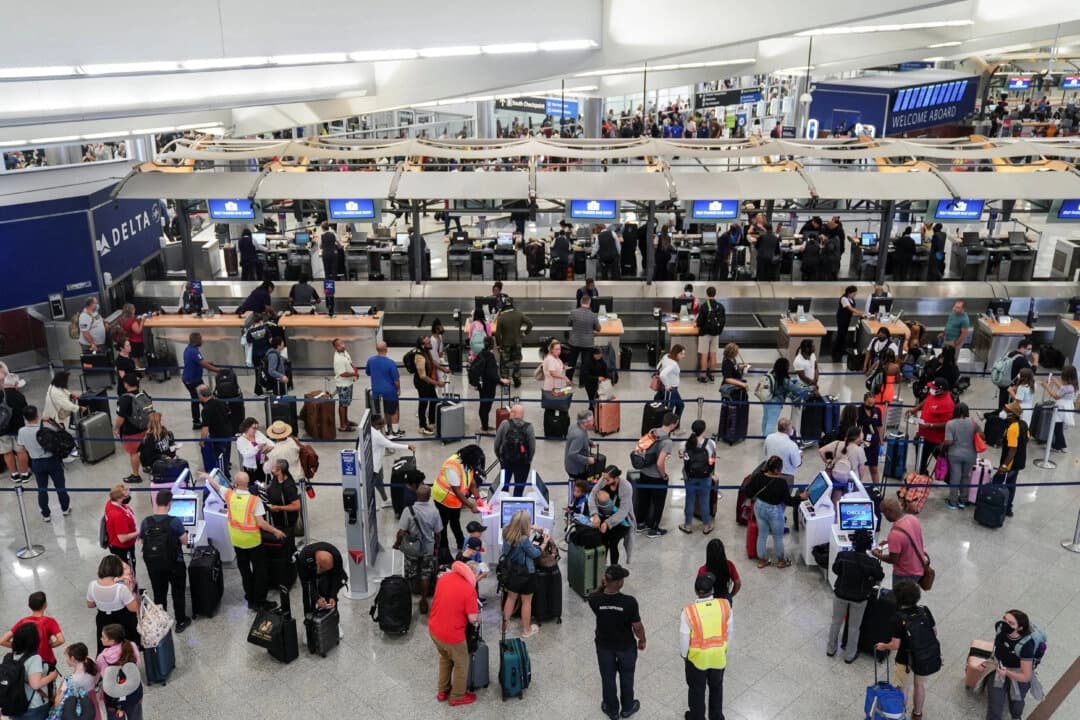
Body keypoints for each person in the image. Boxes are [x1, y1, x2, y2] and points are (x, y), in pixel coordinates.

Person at [207, 470, 286, 611]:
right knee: (260, 571)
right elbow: (261, 523)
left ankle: (250, 599)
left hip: (237, 541)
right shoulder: (255, 500)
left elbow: (217, 485)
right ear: (248, 484)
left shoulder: (229, 495)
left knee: (245, 571)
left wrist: (207, 476)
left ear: (235, 484)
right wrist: (276, 531)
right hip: (253, 542)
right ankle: (260, 601)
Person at [874, 581, 941, 720]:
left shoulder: (898, 618)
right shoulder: (925, 610)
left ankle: (900, 714)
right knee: (920, 685)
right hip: (924, 658)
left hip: (906, 660)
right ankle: (917, 714)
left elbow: (895, 645)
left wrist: (883, 646)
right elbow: (934, 632)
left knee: (902, 688)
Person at [588, 565, 645, 720]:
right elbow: (637, 626)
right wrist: (642, 640)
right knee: (627, 677)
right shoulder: (629, 602)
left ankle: (612, 709)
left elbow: (592, 595)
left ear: (605, 580)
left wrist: (601, 586)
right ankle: (627, 708)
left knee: (608, 677)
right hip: (626, 647)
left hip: (604, 646)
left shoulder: (595, 600)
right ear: (620, 583)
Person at [826, 529, 884, 663]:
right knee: (853, 627)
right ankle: (849, 655)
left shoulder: (842, 555)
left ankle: (831, 649)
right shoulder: (872, 563)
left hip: (840, 593)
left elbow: (835, 570)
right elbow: (880, 576)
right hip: (859, 598)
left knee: (836, 622)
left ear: (853, 542)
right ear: (869, 545)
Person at [680, 572, 732, 720]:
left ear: (696, 591)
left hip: (697, 660)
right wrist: (724, 649)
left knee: (696, 690)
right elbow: (730, 631)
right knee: (716, 688)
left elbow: (684, 638)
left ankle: (696, 717)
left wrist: (685, 656)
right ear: (712, 590)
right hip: (718, 657)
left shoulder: (688, 612)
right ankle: (716, 716)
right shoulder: (725, 605)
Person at [428, 561, 481, 707]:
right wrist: (477, 620)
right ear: (472, 576)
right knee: (461, 663)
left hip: (434, 629)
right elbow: (472, 618)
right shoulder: (469, 590)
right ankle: (457, 696)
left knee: (445, 658)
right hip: (452, 636)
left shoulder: (445, 578)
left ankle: (442, 690)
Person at [139, 490, 191, 633]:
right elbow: (184, 541)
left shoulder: (146, 521)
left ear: (156, 502)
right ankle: (180, 621)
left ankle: (161, 622)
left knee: (159, 593)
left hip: (154, 565)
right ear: (170, 504)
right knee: (177, 592)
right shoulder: (174, 521)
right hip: (175, 564)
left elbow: (142, 540)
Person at [500, 510, 551, 639]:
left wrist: (533, 527)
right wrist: (544, 542)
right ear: (525, 524)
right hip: (525, 573)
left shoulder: (506, 531)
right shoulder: (523, 540)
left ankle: (504, 626)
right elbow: (535, 553)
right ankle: (526, 630)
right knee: (526, 601)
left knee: (511, 598)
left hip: (511, 572)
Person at [394, 484, 443, 613]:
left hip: (412, 549)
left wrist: (397, 543)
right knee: (425, 574)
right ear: (429, 496)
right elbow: (438, 533)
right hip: (428, 548)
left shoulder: (408, 510)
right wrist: (436, 547)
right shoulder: (434, 511)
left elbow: (401, 532)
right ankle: (423, 599)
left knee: (410, 572)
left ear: (417, 496)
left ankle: (408, 597)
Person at [16, 405, 71, 521]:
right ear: (37, 415)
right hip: (52, 460)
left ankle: (46, 514)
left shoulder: (22, 431)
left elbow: (20, 448)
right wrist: (52, 422)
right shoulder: (46, 428)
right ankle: (65, 508)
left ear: (24, 418)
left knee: (42, 488)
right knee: (60, 486)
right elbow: (61, 432)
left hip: (36, 462)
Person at [982, 609, 1038, 720]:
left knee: (1016, 705)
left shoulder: (1026, 645)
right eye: (1004, 619)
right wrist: (990, 661)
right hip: (998, 669)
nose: (1005, 624)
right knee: (994, 708)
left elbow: (1026, 676)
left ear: (1020, 628)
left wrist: (1007, 672)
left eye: (1011, 623)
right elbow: (998, 648)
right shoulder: (1000, 629)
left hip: (1018, 674)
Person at [744, 456, 796, 568]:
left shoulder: (758, 477)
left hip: (759, 507)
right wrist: (800, 498)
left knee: (762, 534)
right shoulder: (781, 483)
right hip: (774, 511)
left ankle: (761, 560)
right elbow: (788, 501)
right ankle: (781, 561)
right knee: (778, 537)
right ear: (777, 470)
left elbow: (748, 491)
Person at [432, 445, 484, 555]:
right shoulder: (452, 468)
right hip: (442, 498)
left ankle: (460, 543)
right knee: (443, 524)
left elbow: (472, 482)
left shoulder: (467, 464)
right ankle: (443, 547)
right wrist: (471, 506)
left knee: (455, 521)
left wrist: (478, 498)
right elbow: (457, 491)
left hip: (454, 500)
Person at [0, 592, 64, 677]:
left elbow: (2, 641)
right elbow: (61, 640)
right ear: (45, 605)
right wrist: (50, 644)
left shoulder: (23, 622)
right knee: (49, 680)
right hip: (47, 659)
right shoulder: (50, 621)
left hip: (28, 661)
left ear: (29, 606)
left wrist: (21, 647)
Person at [85, 555, 139, 654]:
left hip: (103, 620)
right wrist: (130, 591)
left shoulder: (92, 585)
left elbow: (90, 604)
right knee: (125, 648)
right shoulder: (121, 588)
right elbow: (133, 608)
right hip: (122, 621)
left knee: (105, 648)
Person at [4, 623, 57, 720]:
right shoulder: (34, 658)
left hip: (13, 704)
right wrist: (52, 676)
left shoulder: (9, 657)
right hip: (33, 706)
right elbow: (35, 685)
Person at [637, 412, 677, 538]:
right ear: (673, 424)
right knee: (658, 504)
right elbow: (660, 463)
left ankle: (640, 524)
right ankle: (653, 529)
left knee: (644, 500)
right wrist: (664, 475)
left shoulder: (652, 431)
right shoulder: (667, 442)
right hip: (656, 477)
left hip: (643, 472)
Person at [873, 498, 929, 587]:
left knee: (900, 598)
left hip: (905, 574)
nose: (884, 516)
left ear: (889, 511)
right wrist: (889, 542)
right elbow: (911, 536)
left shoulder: (895, 534)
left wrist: (877, 555)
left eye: (884, 513)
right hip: (919, 566)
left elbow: (893, 559)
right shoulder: (912, 518)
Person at [906, 379, 955, 474]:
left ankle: (952, 478)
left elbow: (948, 424)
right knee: (920, 464)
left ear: (942, 390)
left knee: (941, 462)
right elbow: (926, 401)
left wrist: (930, 425)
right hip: (923, 435)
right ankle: (923, 474)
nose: (931, 390)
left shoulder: (948, 404)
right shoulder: (934, 394)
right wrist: (915, 409)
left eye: (934, 388)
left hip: (934, 440)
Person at [588, 466, 635, 564]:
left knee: (613, 543)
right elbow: (592, 495)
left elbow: (623, 511)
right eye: (604, 478)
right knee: (603, 542)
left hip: (622, 520)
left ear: (616, 478)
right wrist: (595, 514)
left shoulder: (626, 487)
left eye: (607, 479)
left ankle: (614, 567)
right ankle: (601, 567)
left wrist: (607, 523)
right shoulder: (604, 480)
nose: (604, 481)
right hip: (605, 515)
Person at [96, 624, 143, 720]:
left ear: (112, 641)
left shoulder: (103, 657)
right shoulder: (131, 645)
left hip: (113, 698)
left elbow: (104, 676)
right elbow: (138, 664)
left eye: (104, 637)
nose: (101, 638)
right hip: (133, 691)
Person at [679, 420, 717, 535]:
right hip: (705, 477)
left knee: (689, 500)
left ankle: (688, 525)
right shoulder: (711, 444)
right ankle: (706, 526)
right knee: (704, 501)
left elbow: (682, 456)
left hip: (689, 476)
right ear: (704, 430)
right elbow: (712, 460)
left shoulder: (685, 444)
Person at [942, 403, 980, 510]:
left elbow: (948, 441)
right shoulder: (973, 423)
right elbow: (982, 435)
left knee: (955, 476)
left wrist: (942, 445)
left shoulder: (950, 424)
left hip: (955, 454)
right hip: (971, 454)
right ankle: (963, 500)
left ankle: (952, 501)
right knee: (966, 477)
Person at [295, 541, 348, 617]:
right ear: (317, 563)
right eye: (325, 569)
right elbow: (305, 582)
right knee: (308, 596)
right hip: (309, 570)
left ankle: (332, 616)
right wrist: (316, 598)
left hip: (328, 571)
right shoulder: (304, 556)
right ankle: (309, 620)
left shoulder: (336, 555)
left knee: (328, 587)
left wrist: (332, 595)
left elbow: (336, 576)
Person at [112, 375, 148, 485]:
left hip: (131, 431)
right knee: (144, 448)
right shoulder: (143, 394)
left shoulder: (125, 399)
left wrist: (116, 428)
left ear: (126, 384)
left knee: (133, 453)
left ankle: (136, 475)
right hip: (144, 427)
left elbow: (120, 417)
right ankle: (147, 466)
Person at [363, 341, 403, 437]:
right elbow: (396, 380)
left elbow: (368, 372)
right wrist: (398, 389)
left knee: (382, 411)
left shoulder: (370, 360)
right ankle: (394, 431)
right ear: (386, 349)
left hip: (376, 391)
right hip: (390, 392)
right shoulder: (391, 363)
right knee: (393, 412)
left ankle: (385, 431)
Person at [181, 333, 219, 430]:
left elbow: (199, 361)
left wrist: (208, 363)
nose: (202, 341)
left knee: (199, 399)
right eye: (201, 339)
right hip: (192, 380)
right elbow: (202, 363)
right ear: (197, 341)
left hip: (194, 378)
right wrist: (218, 370)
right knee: (200, 399)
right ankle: (198, 421)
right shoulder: (193, 351)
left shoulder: (190, 349)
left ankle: (203, 419)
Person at [997, 401, 1029, 518]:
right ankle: (1008, 508)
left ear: (1012, 414)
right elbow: (1027, 438)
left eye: (1007, 411)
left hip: (1011, 463)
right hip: (1020, 461)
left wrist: (1004, 466)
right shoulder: (1023, 424)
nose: (1004, 412)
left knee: (997, 483)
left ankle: (999, 506)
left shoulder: (1012, 429)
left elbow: (1012, 450)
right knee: (1011, 485)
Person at [493, 297, 533, 388]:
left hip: (505, 344)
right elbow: (530, 323)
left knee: (504, 364)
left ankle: (505, 381)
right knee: (516, 362)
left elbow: (497, 334)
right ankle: (517, 380)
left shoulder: (501, 318)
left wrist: (499, 345)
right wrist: (524, 333)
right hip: (517, 343)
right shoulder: (519, 314)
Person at [474, 336, 509, 434]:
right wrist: (501, 381)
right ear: (492, 344)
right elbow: (492, 374)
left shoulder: (481, 353)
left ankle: (484, 425)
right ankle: (485, 427)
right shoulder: (490, 356)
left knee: (483, 405)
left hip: (482, 385)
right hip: (488, 386)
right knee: (486, 406)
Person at [103, 483, 138, 572]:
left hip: (116, 545)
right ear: (119, 498)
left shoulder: (110, 503)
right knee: (128, 570)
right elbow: (122, 538)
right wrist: (139, 532)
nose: (128, 497)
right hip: (123, 548)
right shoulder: (118, 515)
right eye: (126, 496)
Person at [197, 384, 232, 475]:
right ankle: (226, 467)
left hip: (218, 436)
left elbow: (205, 427)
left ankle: (225, 476)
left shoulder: (206, 409)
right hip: (228, 433)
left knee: (220, 457)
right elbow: (229, 412)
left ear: (201, 395)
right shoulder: (220, 402)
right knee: (226, 455)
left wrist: (202, 440)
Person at [566, 294, 601, 383]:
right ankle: (582, 382)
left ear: (581, 302)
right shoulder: (593, 315)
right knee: (585, 364)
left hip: (574, 342)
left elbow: (569, 323)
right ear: (589, 303)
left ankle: (568, 380)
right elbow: (598, 328)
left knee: (571, 363)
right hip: (587, 343)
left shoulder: (573, 312)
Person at [1041, 365, 1077, 453]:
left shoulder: (1066, 388)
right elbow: (1062, 389)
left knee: (1057, 427)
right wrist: (1055, 381)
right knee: (1059, 427)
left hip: (1061, 408)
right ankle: (1061, 445)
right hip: (1067, 406)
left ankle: (1059, 446)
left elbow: (1056, 396)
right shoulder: (1072, 385)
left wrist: (1046, 386)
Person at [2, 376, 31, 482]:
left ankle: (14, 474)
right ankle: (24, 474)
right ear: (15, 384)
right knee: (21, 451)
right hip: (17, 429)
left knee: (7, 452)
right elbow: (25, 412)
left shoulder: (1, 394)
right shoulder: (19, 396)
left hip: (2, 430)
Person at [695, 287, 725, 383]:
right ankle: (712, 375)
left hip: (705, 333)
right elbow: (723, 320)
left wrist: (697, 324)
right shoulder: (720, 306)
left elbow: (700, 322)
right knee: (713, 355)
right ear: (715, 294)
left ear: (707, 294)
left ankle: (703, 376)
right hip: (716, 334)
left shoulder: (704, 306)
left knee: (704, 355)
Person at [265, 458, 301, 540]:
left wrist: (279, 508)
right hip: (276, 518)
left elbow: (297, 506)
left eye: (273, 467)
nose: (271, 468)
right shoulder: (275, 477)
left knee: (286, 539)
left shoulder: (289, 486)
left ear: (279, 471)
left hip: (286, 521)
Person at [996, 339, 1036, 409]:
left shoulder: (1009, 353)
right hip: (1011, 385)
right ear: (1022, 348)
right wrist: (1036, 361)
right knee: (1009, 406)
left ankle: (999, 417)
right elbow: (1031, 373)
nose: (1030, 351)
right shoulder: (1021, 359)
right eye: (1029, 349)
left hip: (1003, 382)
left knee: (1002, 404)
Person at [759, 358, 791, 440]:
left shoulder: (771, 372)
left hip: (766, 398)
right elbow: (795, 389)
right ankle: (768, 441)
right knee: (771, 422)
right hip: (775, 403)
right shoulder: (783, 379)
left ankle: (764, 436)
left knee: (765, 418)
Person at [858, 392, 886, 487]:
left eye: (873, 403)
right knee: (859, 468)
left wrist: (881, 442)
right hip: (862, 443)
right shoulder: (858, 411)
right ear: (864, 401)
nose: (871, 405)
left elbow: (879, 426)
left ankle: (876, 489)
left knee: (874, 468)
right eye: (869, 403)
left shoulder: (877, 411)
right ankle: (857, 489)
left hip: (874, 442)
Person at [832, 286, 865, 362]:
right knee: (841, 334)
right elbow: (850, 308)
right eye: (854, 293)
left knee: (844, 334)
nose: (855, 295)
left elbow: (852, 310)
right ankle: (835, 351)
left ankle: (841, 350)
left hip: (847, 318)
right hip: (842, 318)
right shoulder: (844, 299)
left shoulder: (851, 299)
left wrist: (859, 314)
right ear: (849, 293)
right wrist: (861, 313)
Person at [655, 345, 686, 424]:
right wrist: (667, 385)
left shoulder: (666, 356)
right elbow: (662, 375)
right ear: (677, 354)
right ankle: (668, 428)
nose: (683, 356)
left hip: (669, 388)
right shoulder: (673, 364)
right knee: (668, 410)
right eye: (681, 354)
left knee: (680, 405)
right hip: (670, 389)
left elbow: (658, 366)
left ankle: (675, 425)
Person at [564, 409, 597, 481]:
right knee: (580, 488)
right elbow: (572, 454)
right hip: (576, 470)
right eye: (592, 420)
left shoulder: (575, 426)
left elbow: (582, 438)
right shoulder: (579, 435)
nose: (593, 422)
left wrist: (590, 443)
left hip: (570, 465)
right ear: (585, 423)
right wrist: (587, 460)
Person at [581, 346, 612, 410]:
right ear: (593, 354)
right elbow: (586, 376)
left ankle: (599, 413)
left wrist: (607, 377)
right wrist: (597, 378)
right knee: (592, 400)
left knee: (599, 400)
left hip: (600, 384)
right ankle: (592, 413)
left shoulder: (601, 360)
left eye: (600, 354)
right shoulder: (587, 362)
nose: (599, 356)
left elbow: (605, 369)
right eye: (597, 354)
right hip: (590, 384)